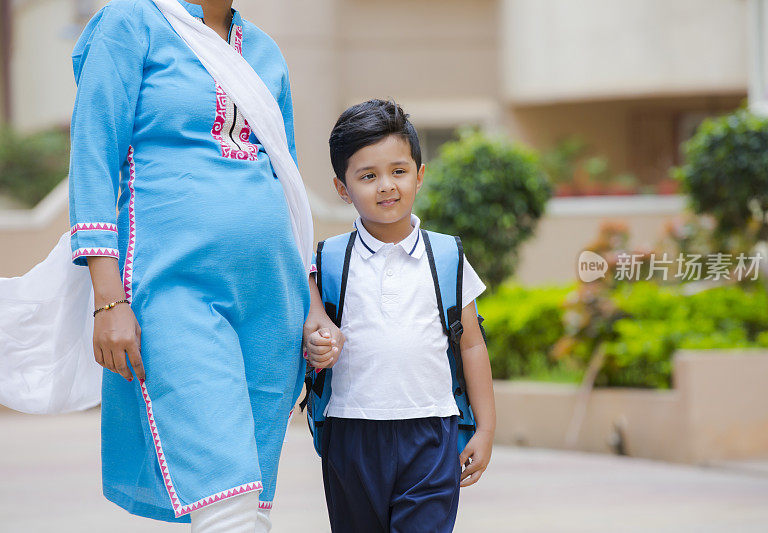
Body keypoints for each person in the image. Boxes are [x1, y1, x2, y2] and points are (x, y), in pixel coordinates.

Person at [67, 0, 342, 531]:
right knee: (225, 495)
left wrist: (310, 305)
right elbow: (93, 152)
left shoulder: (263, 50)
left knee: (252, 497)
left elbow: (287, 180)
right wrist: (108, 298)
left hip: (271, 297)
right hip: (171, 288)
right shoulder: (132, 22)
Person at [311, 99, 496, 532]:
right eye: (368, 176)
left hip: (432, 433)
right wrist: (317, 346)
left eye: (398, 171)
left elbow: (471, 343)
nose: (386, 186)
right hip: (351, 432)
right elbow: (312, 334)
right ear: (342, 188)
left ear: (419, 175)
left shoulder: (446, 256)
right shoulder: (329, 260)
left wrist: (485, 429)